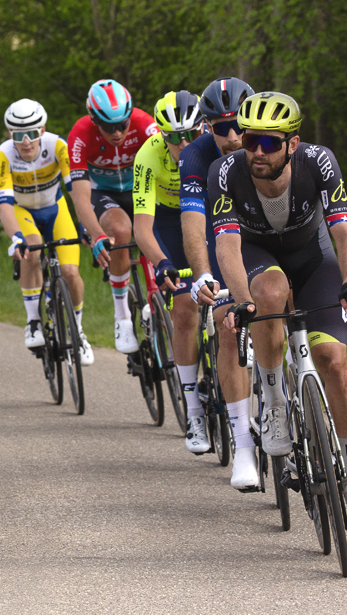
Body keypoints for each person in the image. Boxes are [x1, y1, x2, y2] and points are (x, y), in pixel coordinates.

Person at [211, 92, 347, 530]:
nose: (258, 151)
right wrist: (239, 297)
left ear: (293, 143)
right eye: (250, 141)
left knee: (333, 361)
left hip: (313, 254)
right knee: (269, 291)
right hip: (258, 254)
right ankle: (276, 401)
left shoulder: (319, 162)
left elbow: (343, 230)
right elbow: (226, 244)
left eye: (269, 142)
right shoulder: (225, 172)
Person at [178, 76, 259, 489]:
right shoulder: (195, 157)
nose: (231, 136)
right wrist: (202, 272)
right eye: (219, 127)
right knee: (230, 326)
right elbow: (194, 223)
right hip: (221, 233)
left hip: (266, 236)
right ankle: (243, 444)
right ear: (207, 127)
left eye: (238, 126)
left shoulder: (269, 144)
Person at [0, 98, 104, 364]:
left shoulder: (57, 146)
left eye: (32, 133)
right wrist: (15, 237)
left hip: (56, 209)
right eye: (19, 135)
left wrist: (86, 226)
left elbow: (76, 191)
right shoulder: (4, 155)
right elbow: (5, 206)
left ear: (42, 130)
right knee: (30, 248)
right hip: (24, 212)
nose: (27, 141)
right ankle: (33, 321)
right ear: (11, 135)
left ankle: (77, 330)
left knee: (70, 272)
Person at [132, 91, 204, 448]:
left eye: (192, 133)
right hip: (167, 221)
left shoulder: (212, 148)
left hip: (204, 211)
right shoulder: (147, 156)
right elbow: (142, 227)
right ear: (161, 135)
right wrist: (162, 263)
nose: (185, 143)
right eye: (175, 137)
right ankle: (193, 412)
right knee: (185, 307)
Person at [67, 79, 159, 352]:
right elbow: (80, 195)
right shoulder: (80, 134)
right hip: (103, 193)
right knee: (119, 231)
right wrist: (96, 234)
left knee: (155, 230)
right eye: (109, 127)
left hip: (140, 188)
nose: (117, 133)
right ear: (94, 120)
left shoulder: (144, 123)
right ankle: (122, 317)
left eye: (123, 124)